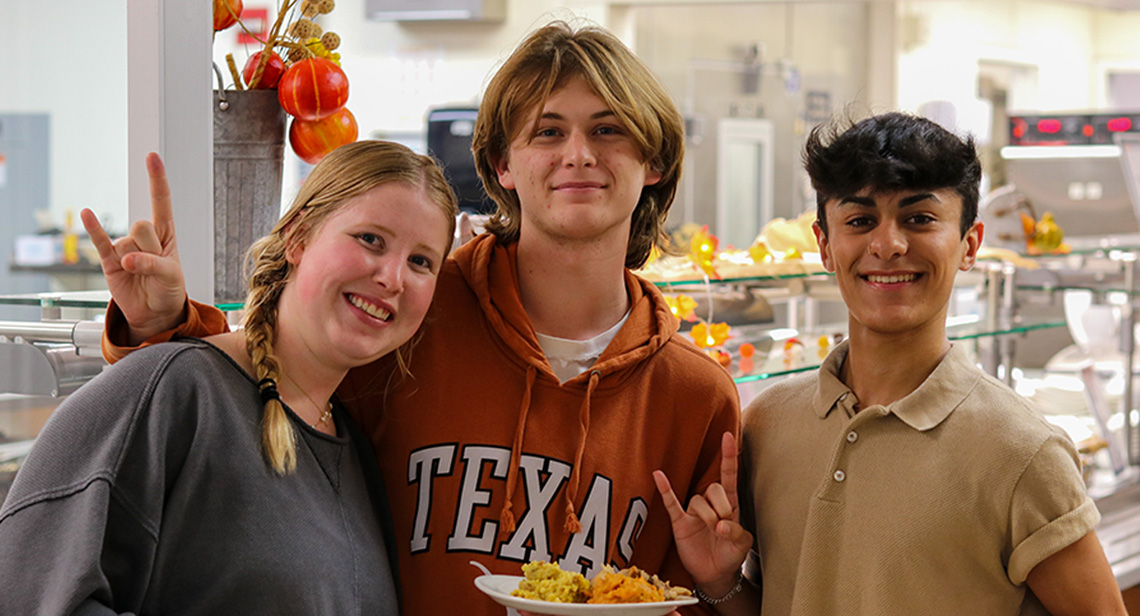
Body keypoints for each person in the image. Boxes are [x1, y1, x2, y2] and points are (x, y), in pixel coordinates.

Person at [93, 21, 739, 616]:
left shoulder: (697, 399)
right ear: (501, 167)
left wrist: (723, 588)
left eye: (607, 129)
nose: (578, 154)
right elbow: (267, 382)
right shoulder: (412, 313)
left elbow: (707, 596)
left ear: (653, 161)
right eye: (548, 130)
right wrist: (166, 326)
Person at [654, 112, 1127, 615]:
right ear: (825, 246)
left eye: (919, 219)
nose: (888, 245)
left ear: (970, 244)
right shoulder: (768, 425)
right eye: (859, 221)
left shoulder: (1022, 451)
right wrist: (720, 580)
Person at [0, 140, 459, 614]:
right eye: (370, 239)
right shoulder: (172, 389)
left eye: (421, 262)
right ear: (298, 237)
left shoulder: (356, 449)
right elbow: (26, 592)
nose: (392, 277)